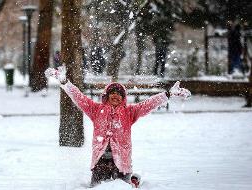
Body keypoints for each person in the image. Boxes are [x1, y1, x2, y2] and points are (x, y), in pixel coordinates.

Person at [45, 66, 191, 188]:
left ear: (123, 98)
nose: (115, 96)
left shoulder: (129, 112)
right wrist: (64, 82)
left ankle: (132, 180)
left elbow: (148, 104)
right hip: (100, 161)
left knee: (122, 187)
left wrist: (168, 94)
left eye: (119, 94)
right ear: (106, 96)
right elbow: (78, 97)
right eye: (112, 93)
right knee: (97, 187)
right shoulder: (96, 110)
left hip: (121, 161)